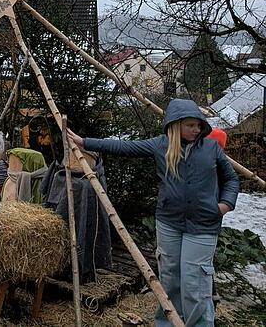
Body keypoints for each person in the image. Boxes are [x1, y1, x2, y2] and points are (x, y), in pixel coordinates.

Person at [68, 98, 239, 327]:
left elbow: (231, 179)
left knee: (195, 282)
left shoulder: (211, 148)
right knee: (169, 279)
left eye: (198, 125)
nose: (197, 130)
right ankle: (167, 322)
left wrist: (224, 205)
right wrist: (84, 142)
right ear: (176, 125)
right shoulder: (161, 145)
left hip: (203, 225)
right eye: (191, 125)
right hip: (169, 222)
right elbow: (124, 147)